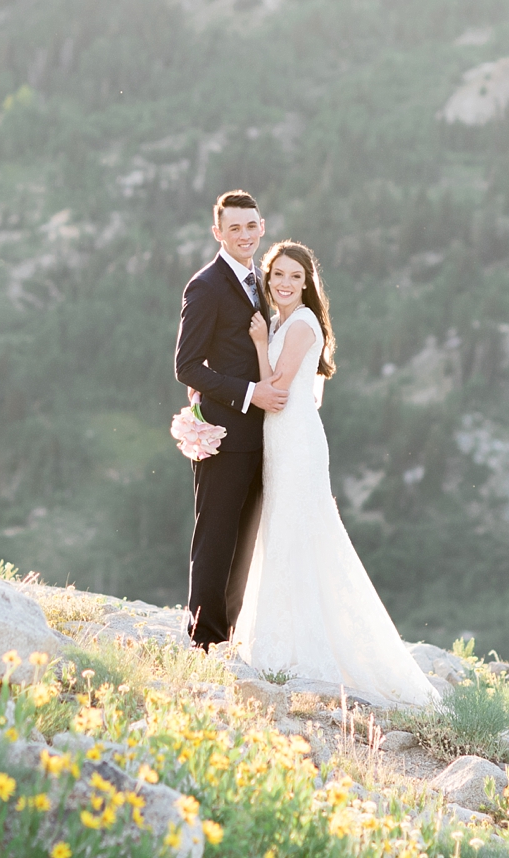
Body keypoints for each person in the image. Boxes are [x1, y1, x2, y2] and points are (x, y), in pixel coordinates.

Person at [228, 239, 437, 708]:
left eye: (294, 277)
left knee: (294, 534)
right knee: (283, 534)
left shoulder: (300, 324)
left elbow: (276, 389)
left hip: (296, 440)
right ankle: (276, 642)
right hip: (281, 441)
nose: (284, 284)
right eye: (277, 275)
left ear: (307, 283)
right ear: (267, 278)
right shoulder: (285, 319)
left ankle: (300, 653)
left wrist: (260, 343)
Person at [172, 190, 283, 650]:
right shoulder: (205, 285)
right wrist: (249, 392)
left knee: (245, 541)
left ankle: (226, 635)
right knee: (216, 537)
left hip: (264, 436)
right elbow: (187, 366)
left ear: (262, 227)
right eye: (233, 227)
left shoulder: (263, 278)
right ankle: (202, 641)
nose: (244, 235)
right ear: (217, 232)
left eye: (251, 225)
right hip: (223, 433)